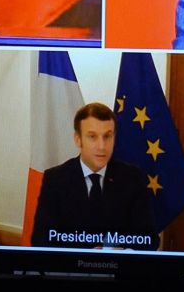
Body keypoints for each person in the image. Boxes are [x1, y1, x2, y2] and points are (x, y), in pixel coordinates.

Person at [31, 103, 156, 249]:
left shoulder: (133, 178)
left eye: (107, 136)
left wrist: (123, 252)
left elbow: (150, 239)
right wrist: (85, 255)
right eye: (92, 137)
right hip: (72, 269)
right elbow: (40, 240)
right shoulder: (55, 179)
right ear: (78, 139)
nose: (102, 146)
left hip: (119, 268)